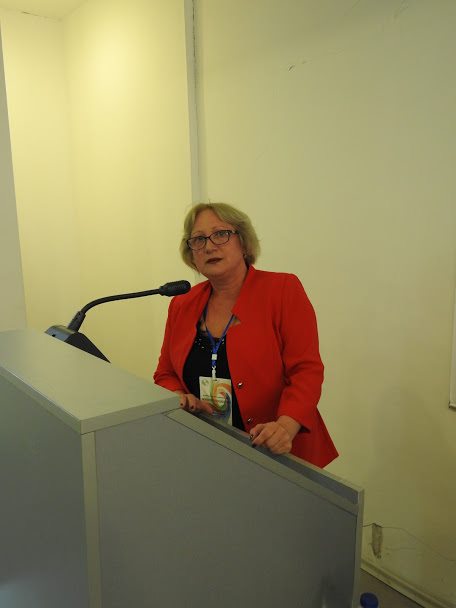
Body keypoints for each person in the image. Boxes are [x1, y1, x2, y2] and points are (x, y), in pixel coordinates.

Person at [154, 202, 338, 468]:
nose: (209, 246)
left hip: (277, 453)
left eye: (220, 234)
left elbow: (306, 371)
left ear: (243, 243)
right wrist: (179, 397)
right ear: (191, 254)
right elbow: (165, 373)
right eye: (198, 240)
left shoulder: (282, 290)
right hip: (206, 449)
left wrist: (285, 427)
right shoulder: (182, 304)